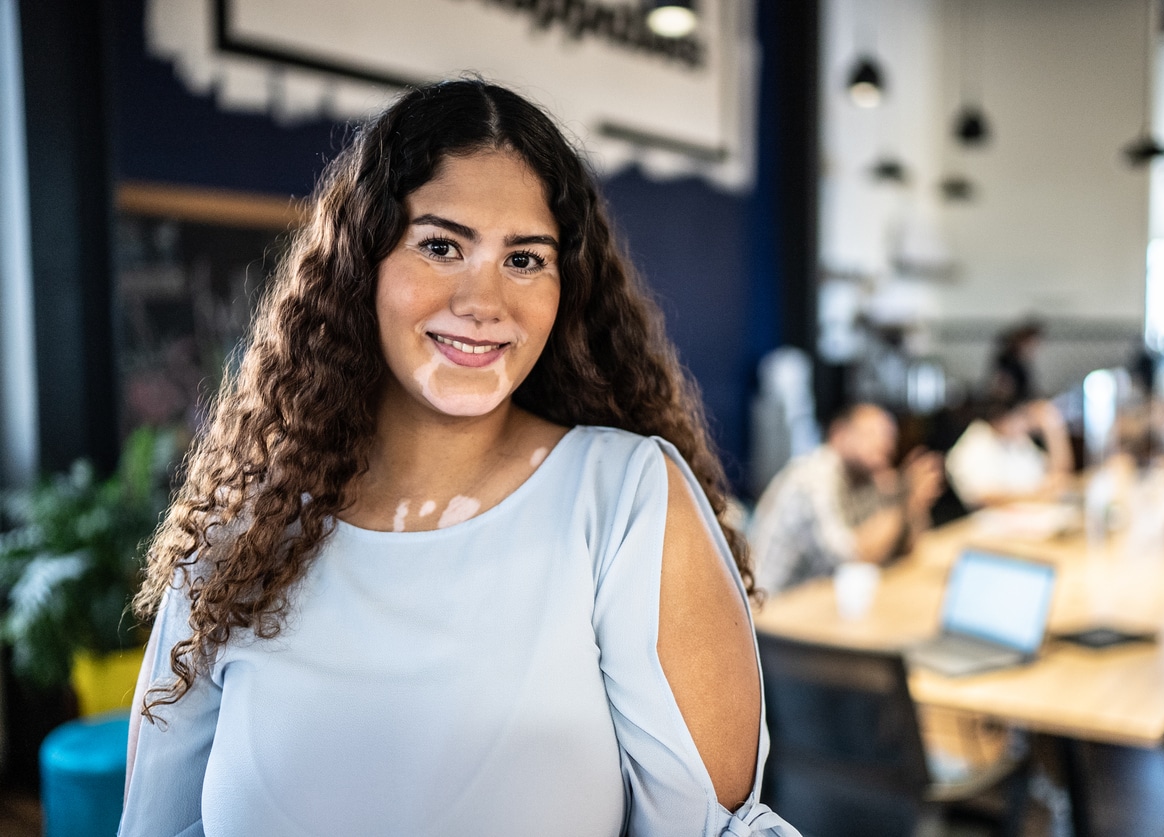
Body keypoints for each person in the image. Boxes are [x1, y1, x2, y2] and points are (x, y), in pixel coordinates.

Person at [120, 80, 798, 837]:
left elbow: (710, 828)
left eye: (524, 259)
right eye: (441, 246)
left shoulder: (625, 500)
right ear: (361, 263)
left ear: (562, 286)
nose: (484, 301)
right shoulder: (243, 530)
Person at [749, 403, 944, 594]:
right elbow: (852, 560)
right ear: (839, 435)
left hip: (818, 602)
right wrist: (903, 502)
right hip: (770, 608)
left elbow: (904, 549)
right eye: (871, 434)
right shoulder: (814, 477)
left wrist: (912, 503)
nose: (883, 444)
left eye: (890, 437)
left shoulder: (866, 478)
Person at [945, 398, 1074, 509]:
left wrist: (1053, 428)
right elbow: (986, 498)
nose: (1027, 424)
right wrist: (1036, 495)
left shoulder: (1017, 442)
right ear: (1000, 416)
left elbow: (1059, 474)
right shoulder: (975, 443)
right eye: (1022, 416)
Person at [988, 319, 1044, 405]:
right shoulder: (1009, 363)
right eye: (1033, 345)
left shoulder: (1020, 364)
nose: (1035, 350)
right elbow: (1000, 393)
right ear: (1023, 343)